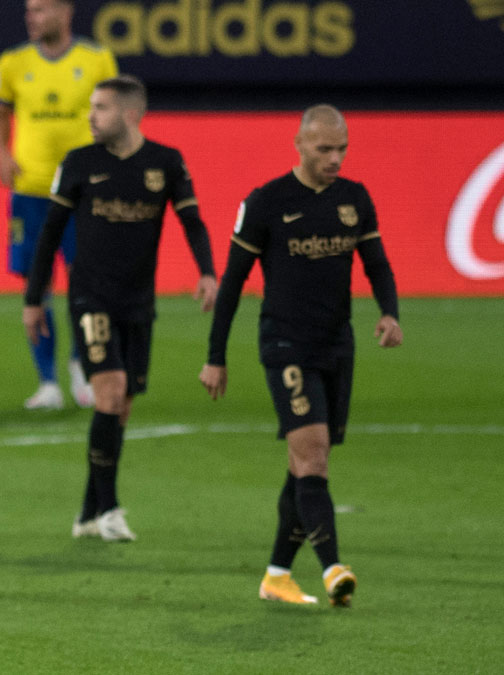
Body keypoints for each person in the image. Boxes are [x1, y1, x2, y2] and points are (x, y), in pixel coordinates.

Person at [199, 104, 403, 607]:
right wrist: (215, 355)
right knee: (312, 456)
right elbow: (233, 283)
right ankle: (333, 568)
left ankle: (276, 576)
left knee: (305, 462)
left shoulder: (355, 199)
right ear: (299, 143)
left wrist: (389, 312)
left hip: (337, 344)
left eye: (342, 149)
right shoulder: (267, 201)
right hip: (285, 344)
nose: (335, 158)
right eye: (324, 149)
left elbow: (376, 261)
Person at [23, 75, 217, 542]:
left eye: (101, 108)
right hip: (90, 297)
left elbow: (191, 220)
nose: (90, 116)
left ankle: (88, 513)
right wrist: (34, 299)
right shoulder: (78, 163)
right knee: (109, 394)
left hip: (138, 302)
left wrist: (208, 272)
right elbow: (49, 235)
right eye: (91, 106)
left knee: (121, 407)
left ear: (131, 114)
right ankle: (109, 509)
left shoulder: (165, 163)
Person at [0, 0, 119, 410]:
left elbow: (114, 115)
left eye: (41, 10)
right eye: (29, 10)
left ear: (66, 12)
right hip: (31, 190)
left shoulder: (96, 59)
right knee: (37, 286)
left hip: (84, 191)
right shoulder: (12, 63)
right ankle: (47, 382)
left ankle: (80, 364)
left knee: (86, 285)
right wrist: (1, 151)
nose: (32, 17)